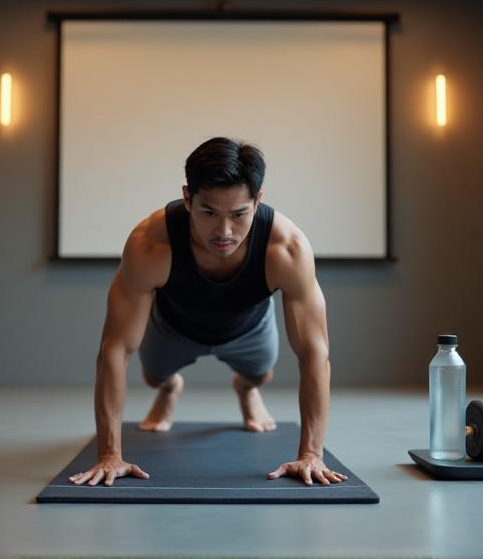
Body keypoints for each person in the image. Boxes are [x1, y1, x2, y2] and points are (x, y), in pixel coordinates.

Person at [69, 137, 347, 488]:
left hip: (249, 326)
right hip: (172, 327)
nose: (224, 231)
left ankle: (246, 390)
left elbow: (314, 352)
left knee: (260, 374)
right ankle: (170, 388)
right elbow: (115, 349)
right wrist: (110, 455)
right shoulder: (150, 245)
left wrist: (311, 454)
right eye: (209, 213)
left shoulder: (286, 249)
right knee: (154, 377)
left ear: (258, 200)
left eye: (239, 214)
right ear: (188, 198)